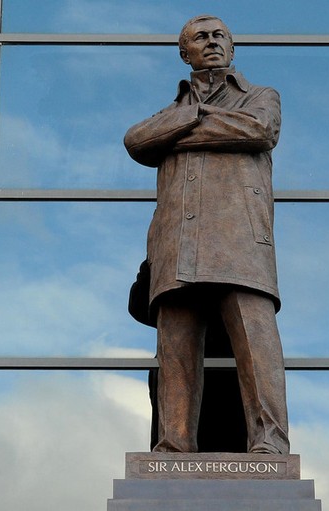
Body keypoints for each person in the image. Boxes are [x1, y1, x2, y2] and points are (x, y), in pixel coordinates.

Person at [124, 14, 289, 455]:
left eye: (220, 36)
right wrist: (198, 115)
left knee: (258, 350)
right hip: (177, 247)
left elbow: (258, 129)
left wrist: (180, 129)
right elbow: (136, 140)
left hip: (240, 244)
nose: (212, 42)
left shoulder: (260, 96)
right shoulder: (171, 111)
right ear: (185, 53)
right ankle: (173, 445)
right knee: (175, 352)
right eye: (201, 37)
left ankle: (269, 442)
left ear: (232, 49)